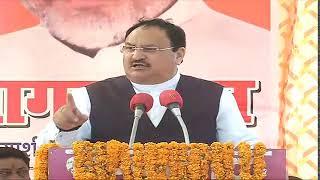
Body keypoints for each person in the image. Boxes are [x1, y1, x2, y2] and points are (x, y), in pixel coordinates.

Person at [36, 18, 257, 147]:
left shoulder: (215, 96)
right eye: (130, 48)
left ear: (179, 55)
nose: (136, 56)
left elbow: (245, 152)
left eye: (150, 49)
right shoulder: (90, 96)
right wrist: (64, 128)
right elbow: (47, 153)